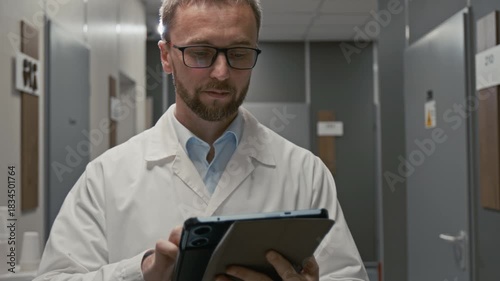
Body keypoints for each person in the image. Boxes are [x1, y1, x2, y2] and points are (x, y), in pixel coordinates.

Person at [35, 0, 369, 280]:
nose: (221, 72)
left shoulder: (305, 172)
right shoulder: (106, 177)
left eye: (238, 53)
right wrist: (140, 272)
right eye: (200, 52)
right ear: (166, 56)